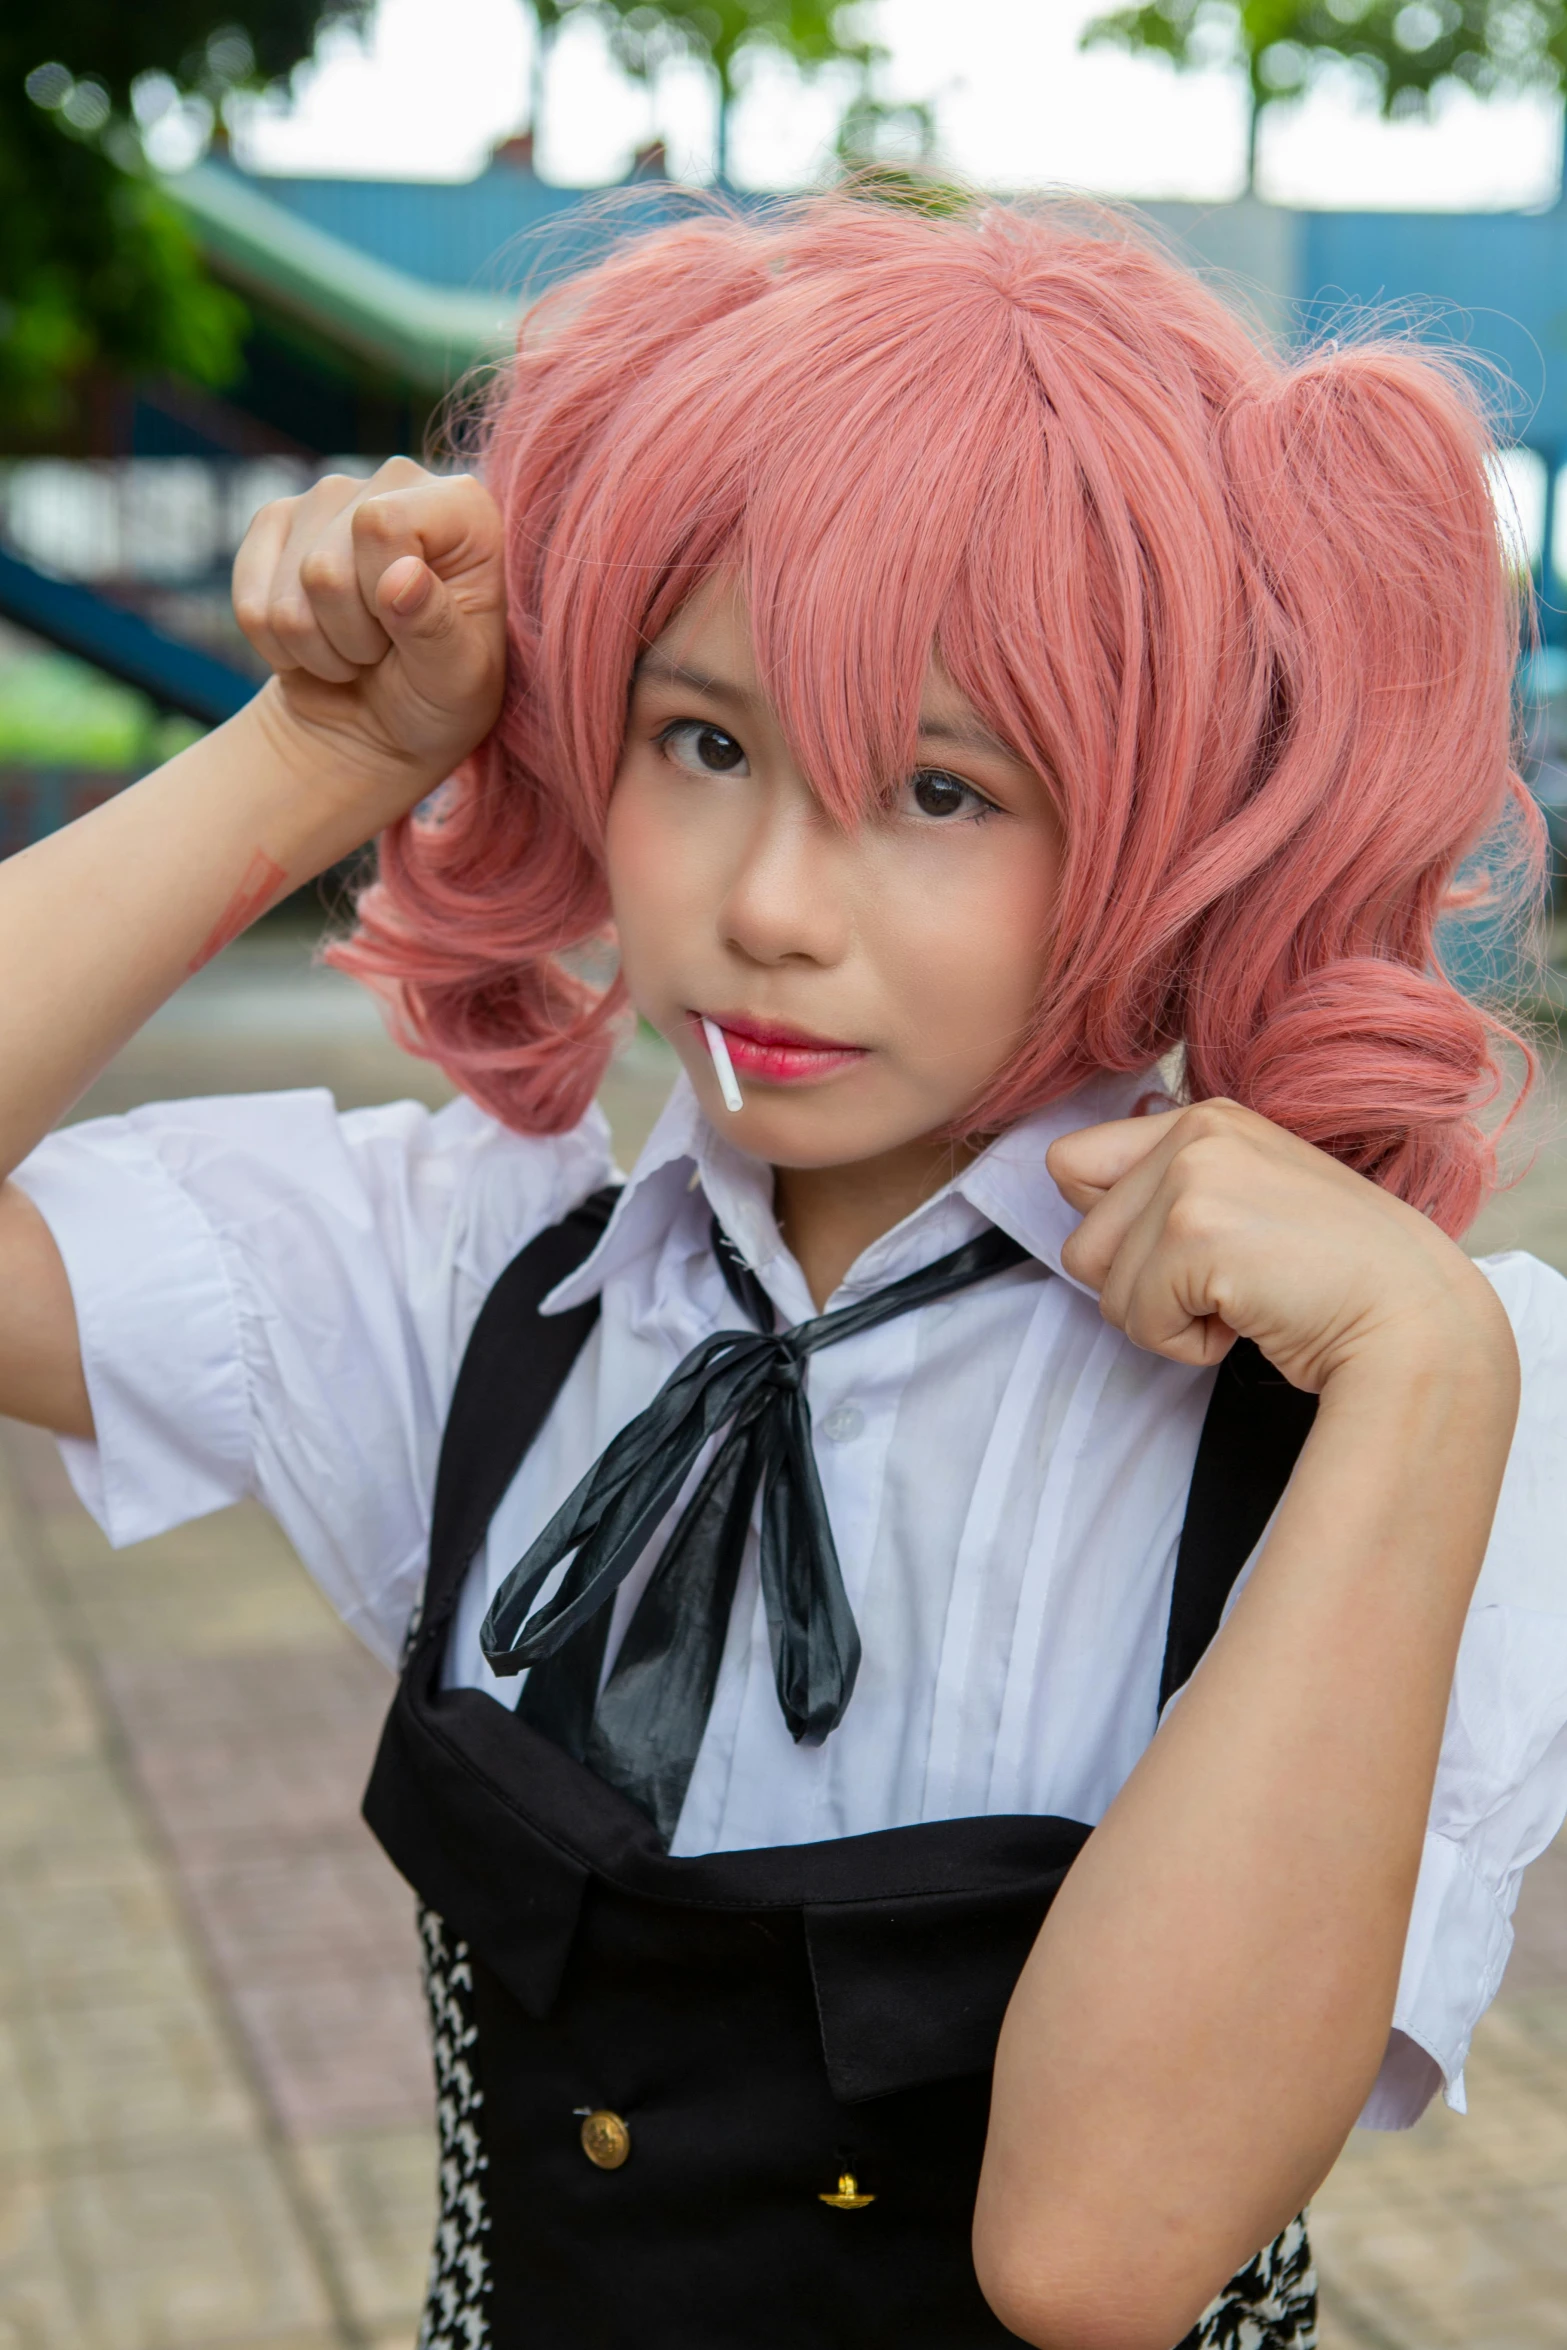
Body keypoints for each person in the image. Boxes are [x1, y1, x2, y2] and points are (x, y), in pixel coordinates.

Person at [0, 192, 1563, 2350]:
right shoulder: (486, 1264)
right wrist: (323, 756)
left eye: (940, 784)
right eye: (703, 740)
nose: (769, 905)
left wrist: (1432, 1376)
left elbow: (1100, 2248)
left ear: (1171, 806)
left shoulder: (1402, 1399)